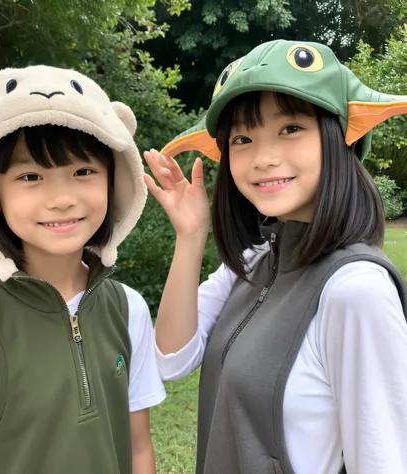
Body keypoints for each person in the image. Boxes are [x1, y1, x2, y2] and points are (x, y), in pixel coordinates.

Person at [143, 40, 407, 474]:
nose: (263, 158)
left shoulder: (355, 290)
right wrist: (190, 236)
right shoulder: (255, 263)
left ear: (339, 135)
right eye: (243, 138)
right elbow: (171, 358)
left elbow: (383, 461)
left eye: (290, 129)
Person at [0, 65, 165, 474]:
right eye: (30, 176)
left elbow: (139, 448)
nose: (61, 199)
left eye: (83, 171)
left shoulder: (129, 309)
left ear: (112, 181)